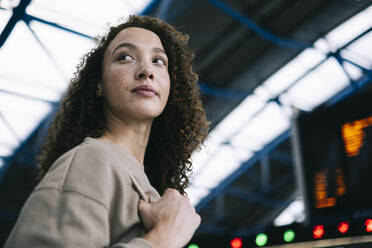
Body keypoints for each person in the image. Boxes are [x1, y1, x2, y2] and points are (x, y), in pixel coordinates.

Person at [4, 15, 209, 248]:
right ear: (98, 84)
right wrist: (162, 239)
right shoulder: (92, 159)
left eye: (159, 61)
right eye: (126, 57)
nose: (146, 71)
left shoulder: (140, 182)